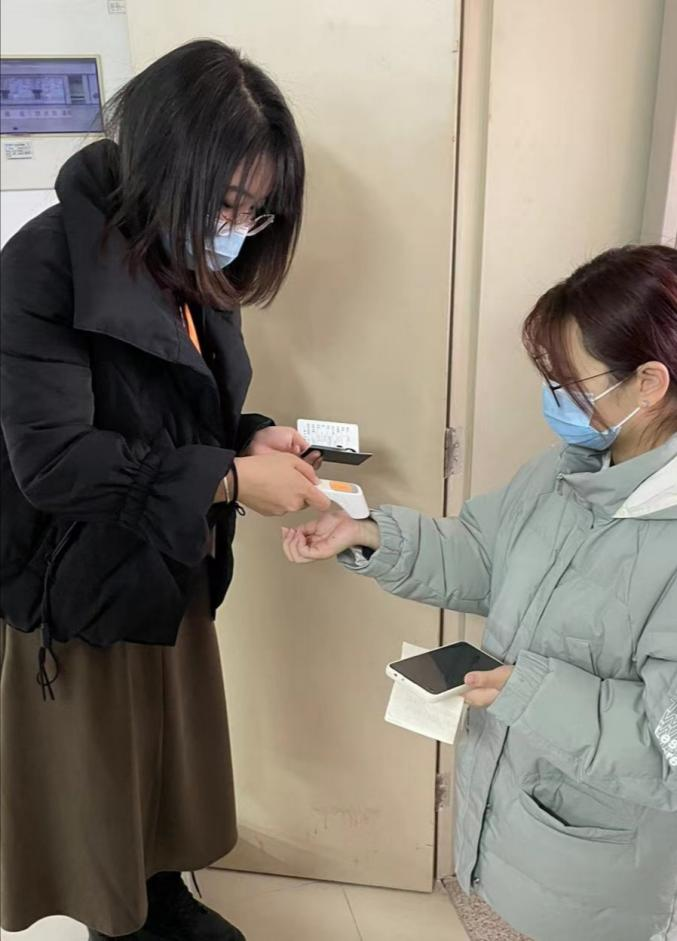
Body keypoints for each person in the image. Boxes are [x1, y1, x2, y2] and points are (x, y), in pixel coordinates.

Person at [0, 40, 330, 941]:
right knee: (98, 769)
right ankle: (118, 920)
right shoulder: (42, 265)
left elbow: (172, 404)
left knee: (164, 751)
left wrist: (247, 435)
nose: (237, 226)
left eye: (256, 210)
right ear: (162, 164)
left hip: (168, 552)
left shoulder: (186, 264)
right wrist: (229, 478)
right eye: (225, 201)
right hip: (76, 573)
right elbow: (54, 461)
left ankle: (160, 893)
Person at [283, 244, 677, 941]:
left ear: (648, 382)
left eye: (568, 380)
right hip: (516, 818)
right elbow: (482, 552)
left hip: (603, 876)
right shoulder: (567, 469)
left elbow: (664, 749)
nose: (553, 395)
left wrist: (529, 691)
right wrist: (367, 534)